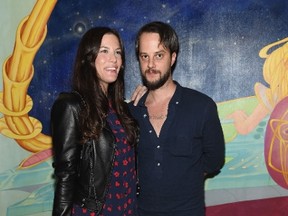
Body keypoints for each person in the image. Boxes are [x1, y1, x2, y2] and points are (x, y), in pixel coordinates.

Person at [128, 21, 225, 216]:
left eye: (159, 56)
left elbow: (214, 160)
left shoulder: (202, 106)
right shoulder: (130, 111)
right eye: (144, 56)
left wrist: (186, 178)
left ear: (172, 58)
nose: (151, 65)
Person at [51, 27, 139, 216]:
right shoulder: (71, 106)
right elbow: (66, 175)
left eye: (117, 52)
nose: (113, 59)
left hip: (128, 209)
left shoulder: (122, 110)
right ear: (89, 58)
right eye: (104, 51)